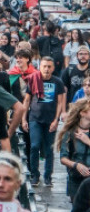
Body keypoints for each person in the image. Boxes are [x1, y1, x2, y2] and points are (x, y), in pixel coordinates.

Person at [23, 54, 65, 187]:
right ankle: (35, 174)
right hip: (35, 118)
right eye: (44, 66)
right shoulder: (34, 79)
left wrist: (56, 120)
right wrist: (23, 119)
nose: (46, 69)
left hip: (50, 119)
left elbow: (60, 102)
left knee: (49, 149)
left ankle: (48, 176)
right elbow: (27, 100)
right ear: (39, 67)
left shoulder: (57, 82)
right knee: (34, 146)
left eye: (49, 67)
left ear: (53, 68)